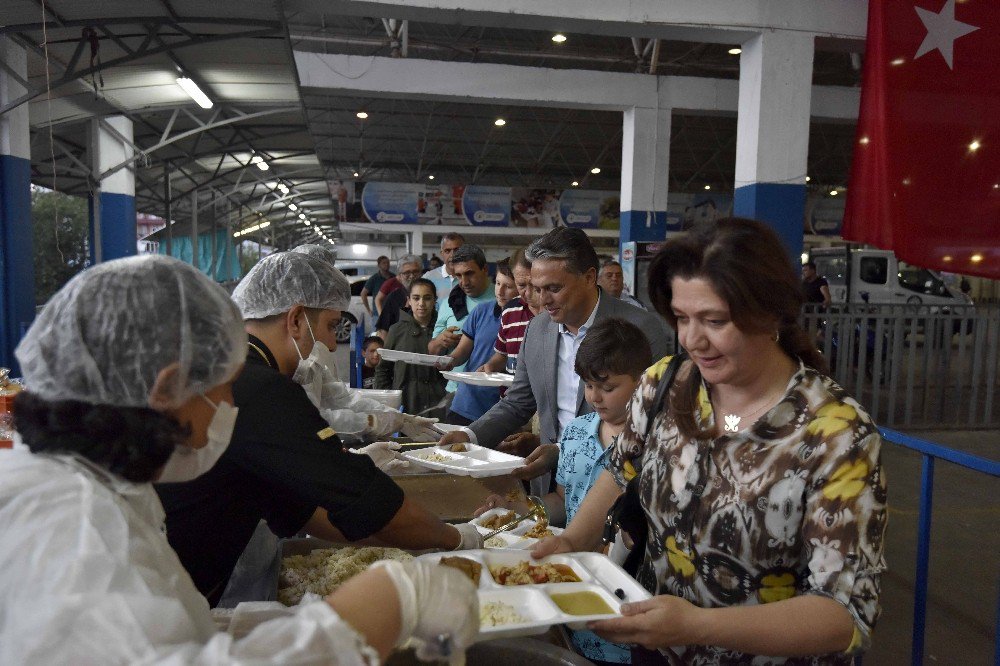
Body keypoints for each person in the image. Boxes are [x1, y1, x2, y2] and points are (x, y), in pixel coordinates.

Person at [0, 255, 477, 663]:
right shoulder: (77, 529)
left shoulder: (101, 487)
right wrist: (387, 600)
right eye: (224, 387)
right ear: (167, 388)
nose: (231, 407)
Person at [533, 218, 887, 664]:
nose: (693, 341)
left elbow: (842, 613)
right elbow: (622, 469)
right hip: (657, 647)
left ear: (768, 312)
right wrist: (572, 542)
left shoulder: (835, 435)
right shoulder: (663, 386)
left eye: (715, 320)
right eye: (682, 318)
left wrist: (696, 625)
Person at [156, 252, 481, 606]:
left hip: (182, 587)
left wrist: (417, 533)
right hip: (170, 596)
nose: (329, 344)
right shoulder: (261, 388)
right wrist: (457, 538)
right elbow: (365, 502)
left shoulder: (241, 373)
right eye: (329, 326)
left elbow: (303, 510)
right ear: (295, 319)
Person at [478, 317, 653, 664]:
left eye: (608, 387)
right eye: (588, 385)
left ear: (643, 381)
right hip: (572, 592)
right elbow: (562, 501)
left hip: (629, 600)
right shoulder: (575, 433)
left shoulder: (656, 445)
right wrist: (520, 511)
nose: (595, 397)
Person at [438, 227, 671, 459]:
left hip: (612, 475)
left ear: (589, 277)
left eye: (554, 288)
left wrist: (563, 452)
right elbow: (517, 402)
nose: (543, 300)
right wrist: (470, 435)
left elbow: (649, 417)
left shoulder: (639, 328)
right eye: (538, 289)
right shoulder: (538, 329)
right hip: (548, 478)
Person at [438, 258, 519, 425]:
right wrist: (448, 361)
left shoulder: (526, 320)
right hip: (467, 401)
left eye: (508, 286)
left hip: (502, 407)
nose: (500, 291)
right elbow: (462, 351)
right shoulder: (482, 311)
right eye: (497, 283)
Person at [376, 278, 449, 416]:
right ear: (409, 300)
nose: (421, 303)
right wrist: (387, 403)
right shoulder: (396, 330)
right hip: (406, 405)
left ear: (435, 300)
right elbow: (383, 369)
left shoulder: (444, 329)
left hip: (439, 405)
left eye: (427, 298)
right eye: (416, 298)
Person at [427, 244, 495, 390]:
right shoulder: (451, 302)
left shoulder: (502, 298)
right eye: (458, 275)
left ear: (485, 269)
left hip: (493, 390)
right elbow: (432, 350)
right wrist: (441, 341)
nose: (464, 282)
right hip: (456, 389)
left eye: (469, 273)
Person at [375, 254, 424, 337]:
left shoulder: (429, 295)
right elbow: (383, 330)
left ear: (421, 273)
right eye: (407, 272)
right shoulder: (393, 297)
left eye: (415, 271)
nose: (412, 276)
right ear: (400, 276)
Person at [427, 232, 465, 300]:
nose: (452, 255)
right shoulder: (428, 278)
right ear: (442, 254)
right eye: (447, 251)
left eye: (457, 250)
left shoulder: (472, 278)